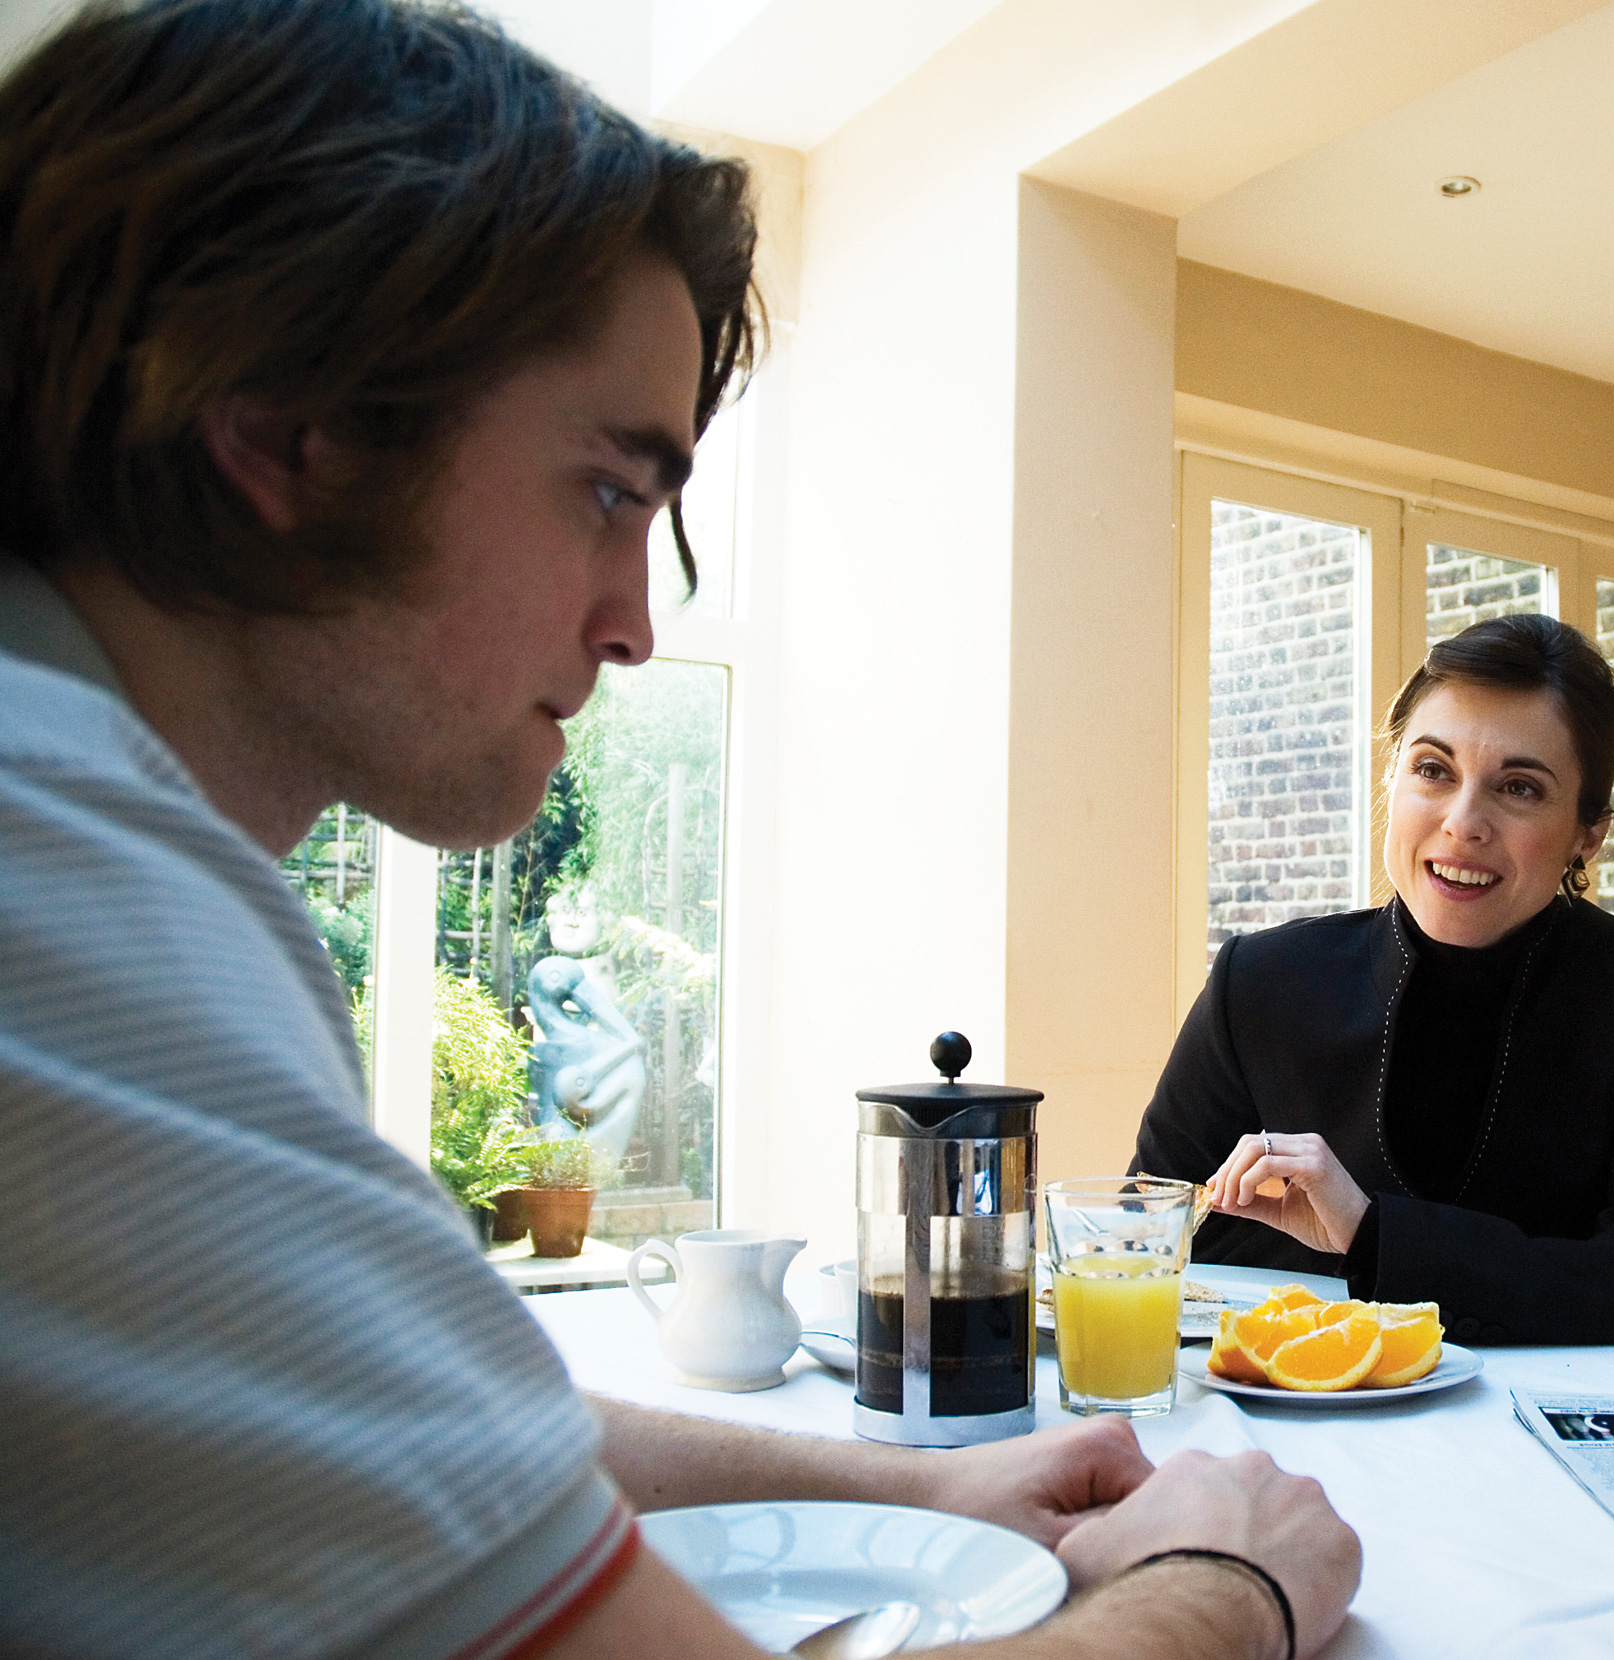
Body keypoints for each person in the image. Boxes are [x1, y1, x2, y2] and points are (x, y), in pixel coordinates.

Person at [0, 4, 1355, 1659]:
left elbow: (429, 1426)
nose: (638, 625)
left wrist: (933, 1491)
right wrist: (1225, 1587)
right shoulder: (75, 918)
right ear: (288, 431)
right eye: (608, 492)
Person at [1132, 614, 1614, 1348]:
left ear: (1587, 834)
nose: (1463, 822)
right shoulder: (1258, 982)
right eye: (1433, 770)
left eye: (1519, 788)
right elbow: (1144, 1238)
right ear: (1391, 781)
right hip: (1290, 1403)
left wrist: (1371, 1233)